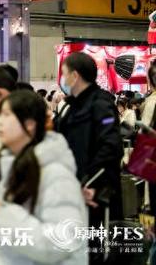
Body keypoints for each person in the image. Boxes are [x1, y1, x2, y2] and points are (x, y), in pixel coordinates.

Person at [0, 90, 88, 265]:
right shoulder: (13, 165)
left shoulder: (56, 175)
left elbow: (62, 242)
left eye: (6, 115)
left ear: (29, 124)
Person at [54, 52, 123, 263]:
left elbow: (111, 147)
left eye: (64, 74)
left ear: (75, 76)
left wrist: (89, 182)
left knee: (95, 251)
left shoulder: (101, 104)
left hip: (95, 194)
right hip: (71, 191)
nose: (62, 79)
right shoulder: (70, 106)